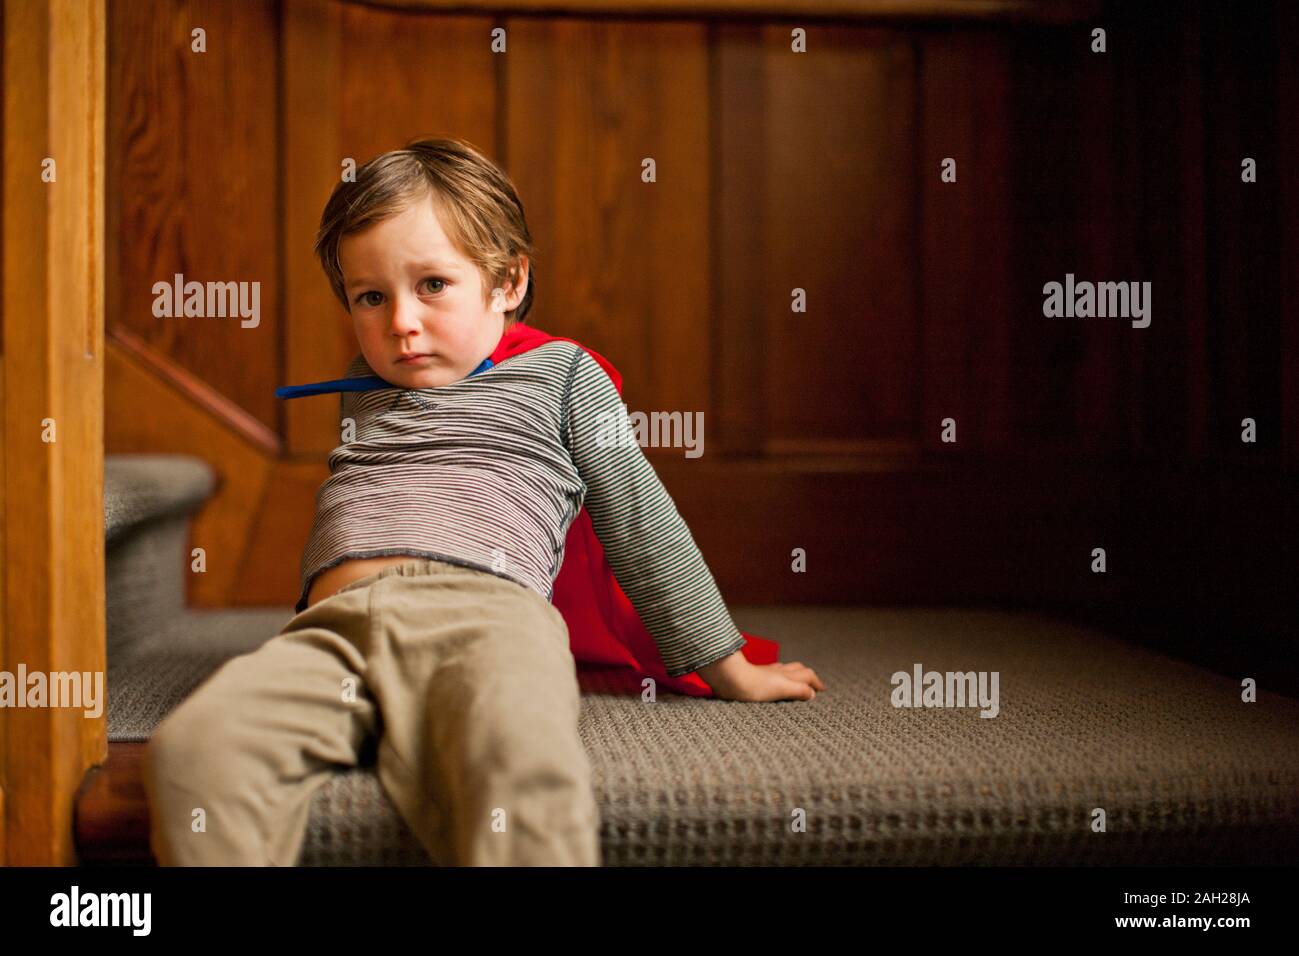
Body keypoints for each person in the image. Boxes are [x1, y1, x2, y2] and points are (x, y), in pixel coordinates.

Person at [142, 138, 824, 867]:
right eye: (370, 296)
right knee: (194, 750)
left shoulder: (563, 374)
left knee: (518, 767)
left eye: (433, 284)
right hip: (333, 630)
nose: (401, 322)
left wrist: (726, 666)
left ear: (507, 281)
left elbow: (643, 524)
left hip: (488, 621)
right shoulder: (363, 387)